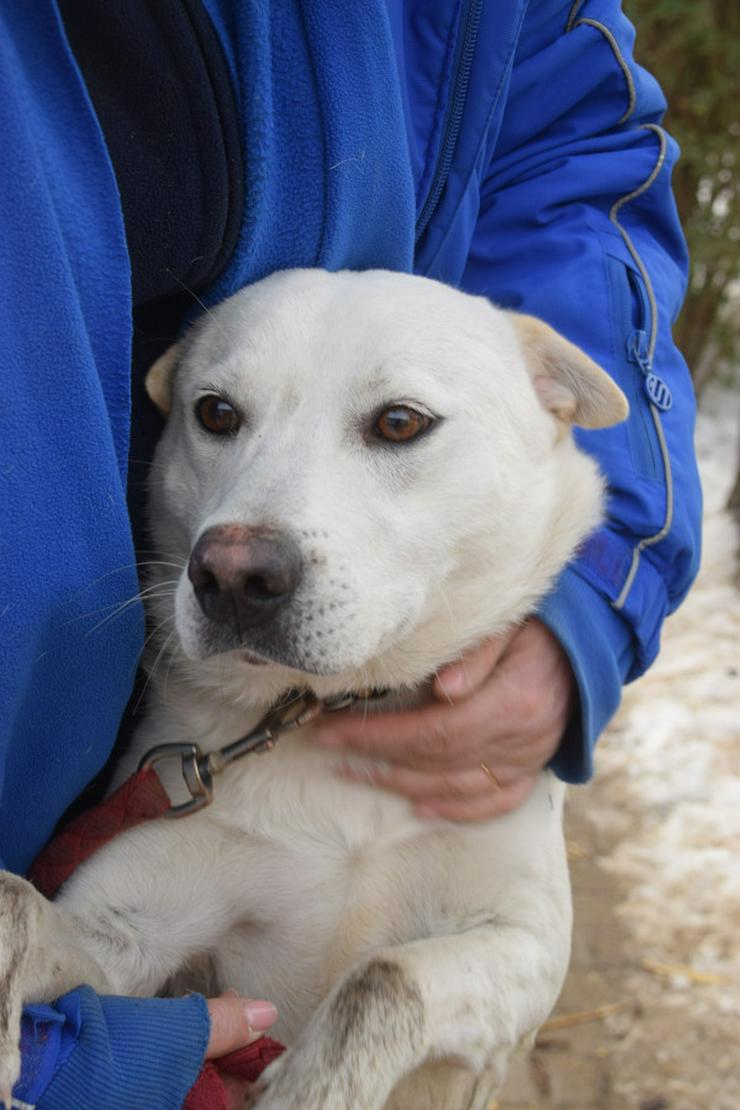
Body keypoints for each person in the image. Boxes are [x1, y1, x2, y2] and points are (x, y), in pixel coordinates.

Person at [0, 1, 701, 1106]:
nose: (245, 545)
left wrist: (591, 616)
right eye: (219, 416)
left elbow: (575, 153)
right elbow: (97, 947)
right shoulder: (194, 722)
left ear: (549, 408)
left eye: (395, 427)